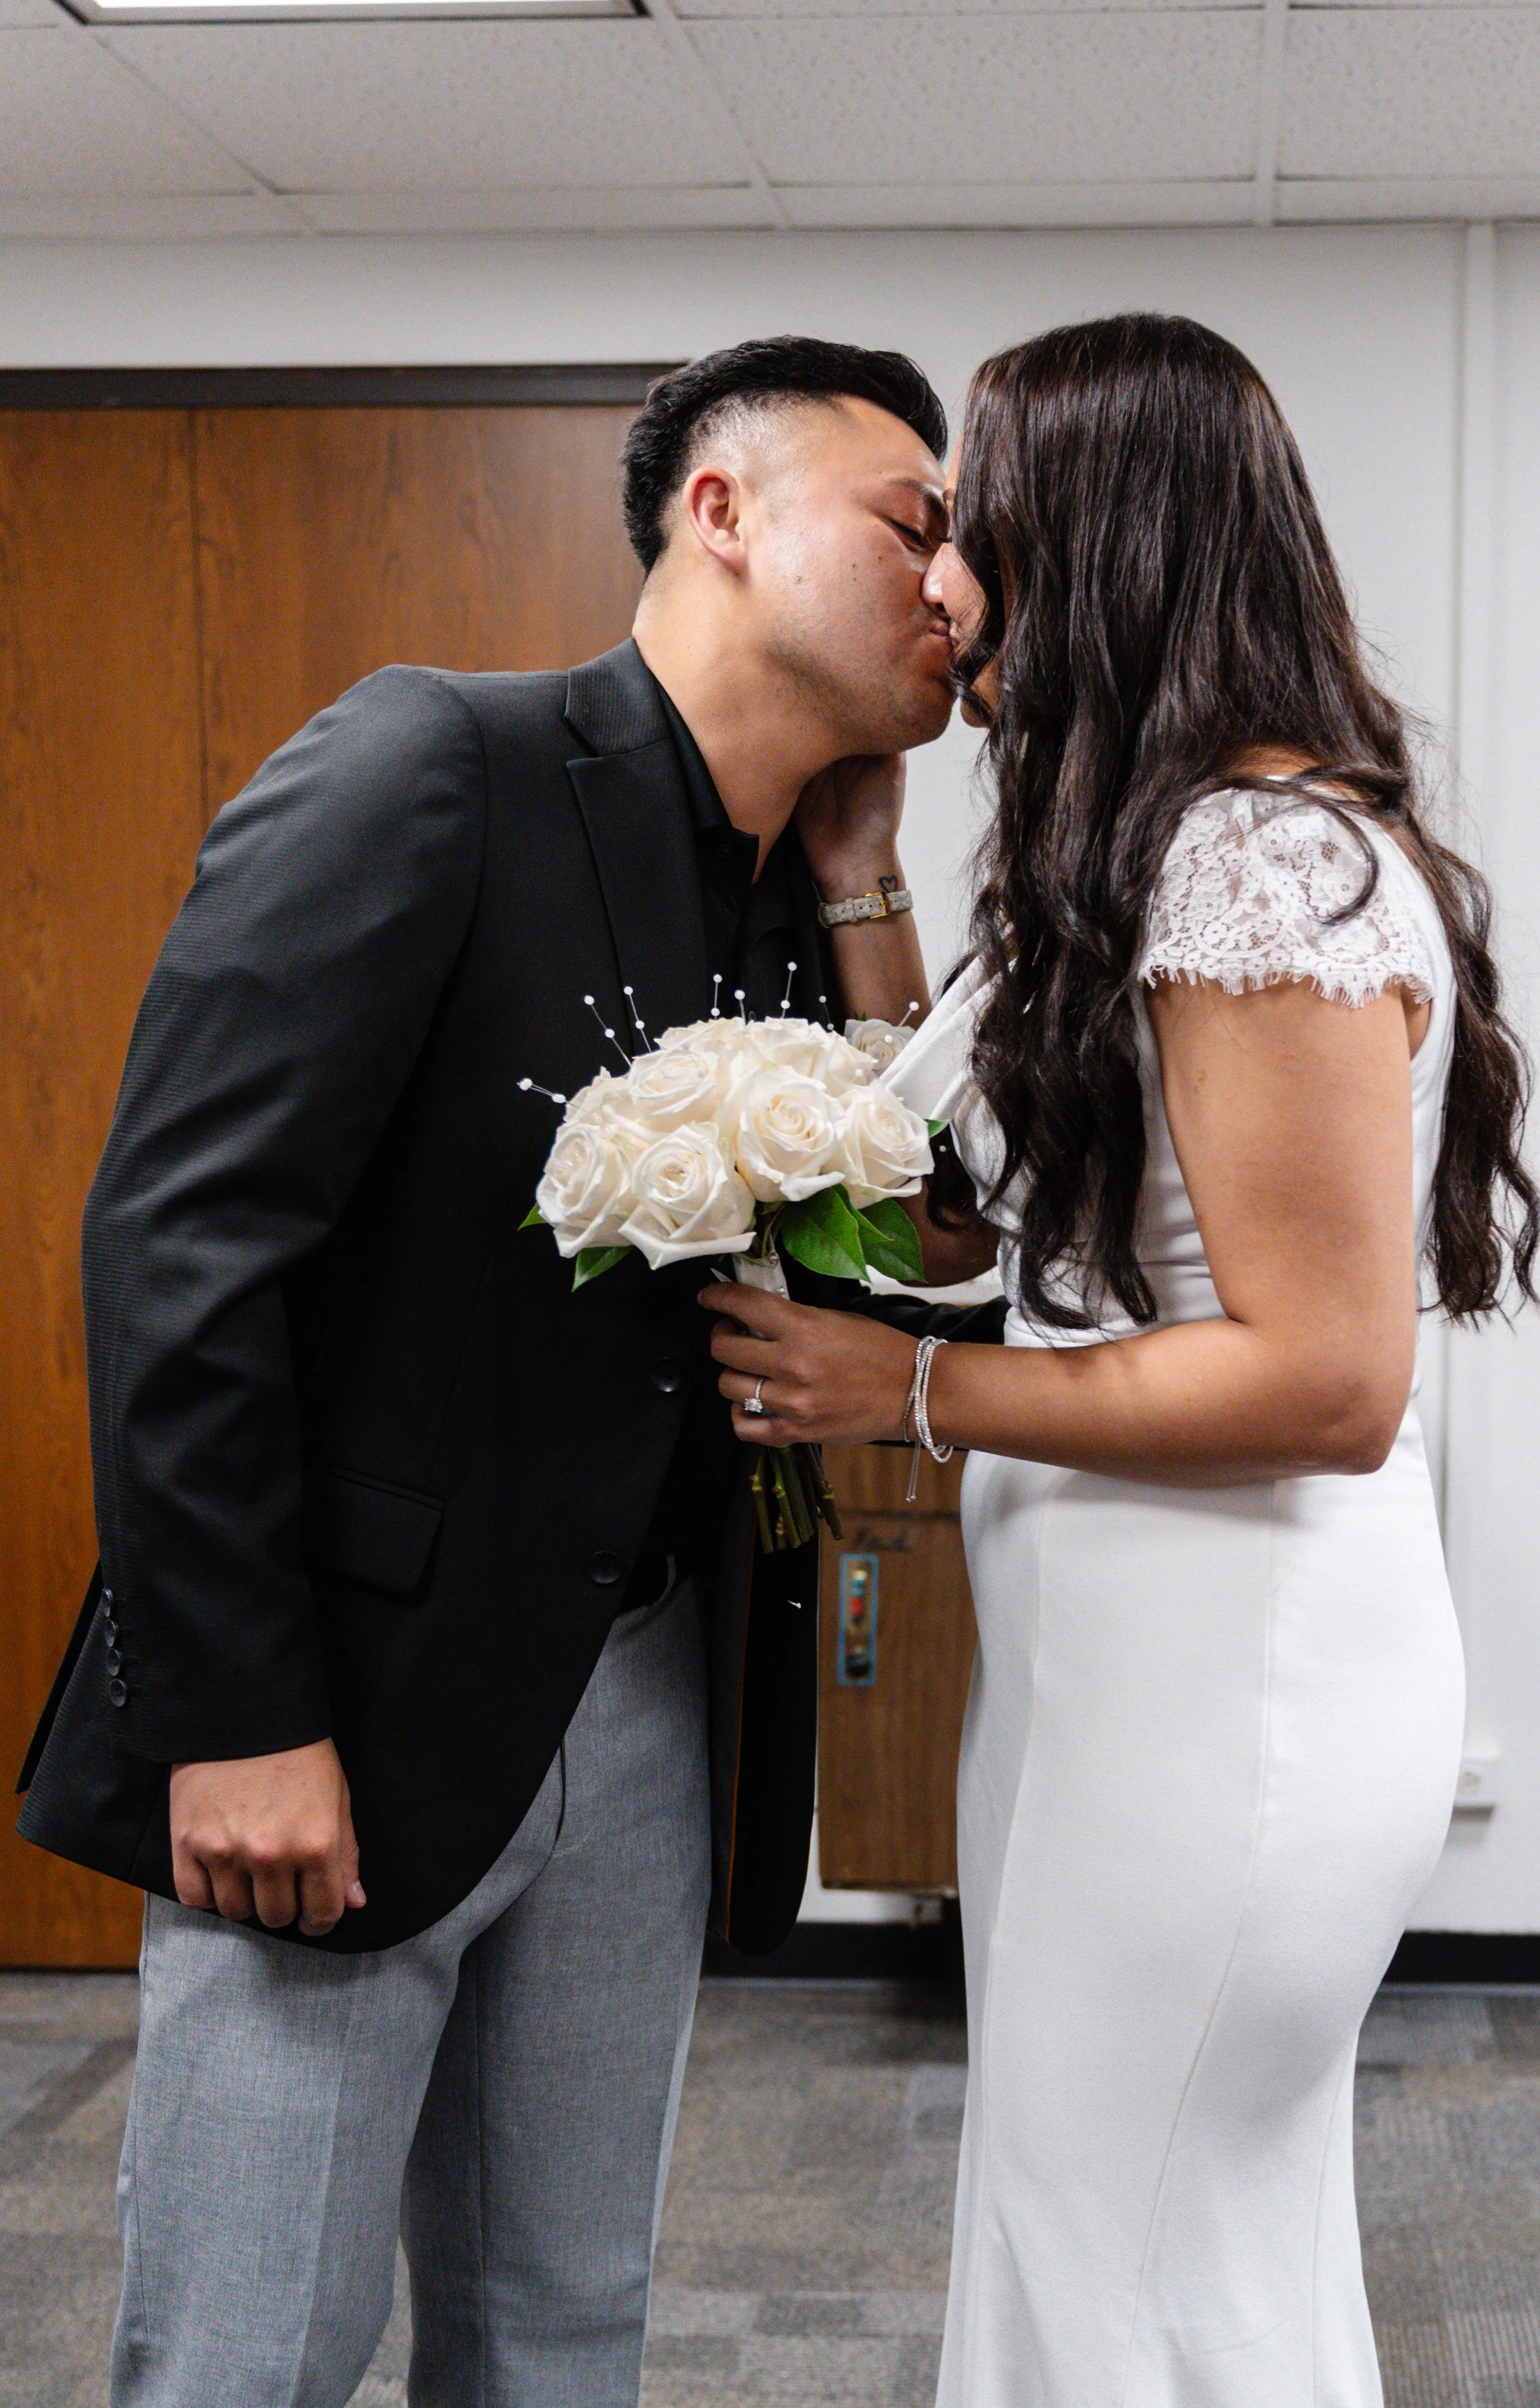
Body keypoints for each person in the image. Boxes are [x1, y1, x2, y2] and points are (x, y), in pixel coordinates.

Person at [15, 335, 957, 2408]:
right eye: (917, 521)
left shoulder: (795, 898)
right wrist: (238, 1712)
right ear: (721, 510)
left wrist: (869, 881)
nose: (954, 588)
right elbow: (179, 1243)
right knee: (250, 2357)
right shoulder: (431, 762)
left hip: (640, 1701)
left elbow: (935, 1246)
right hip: (341, 1705)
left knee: (562, 2331)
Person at [701, 314, 1540, 2407]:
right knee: (1152, 2229)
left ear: (1100, 532)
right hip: (1112, 1675)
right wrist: (857, 885)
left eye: (972, 518)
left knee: (1113, 2230)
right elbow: (984, 1201)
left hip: (1224, 1681)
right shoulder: (1153, 849)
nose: (942, 572)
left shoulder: (1263, 863)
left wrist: (896, 1395)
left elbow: (1324, 1382)